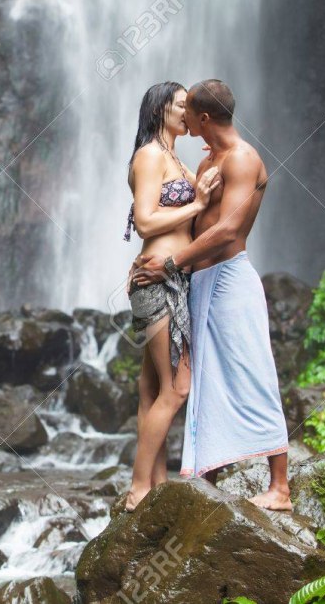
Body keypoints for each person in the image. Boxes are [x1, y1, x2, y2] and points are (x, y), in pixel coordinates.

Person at [130, 78, 293, 511]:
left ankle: (280, 487)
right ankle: (206, 475)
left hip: (229, 278)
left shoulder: (241, 158)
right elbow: (175, 216)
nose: (182, 117)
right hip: (196, 281)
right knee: (203, 380)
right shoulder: (206, 161)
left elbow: (228, 229)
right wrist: (160, 260)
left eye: (188, 110)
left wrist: (169, 263)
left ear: (203, 118)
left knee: (253, 369)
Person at [121, 82, 220, 513]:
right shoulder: (150, 156)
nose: (188, 111)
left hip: (173, 279)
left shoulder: (176, 158)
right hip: (157, 283)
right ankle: (138, 489)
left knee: (152, 389)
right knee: (178, 388)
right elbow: (145, 222)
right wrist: (197, 204)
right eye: (181, 105)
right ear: (160, 108)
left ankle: (156, 483)